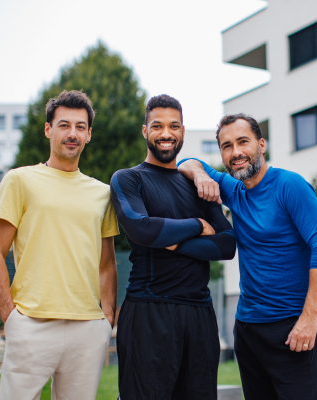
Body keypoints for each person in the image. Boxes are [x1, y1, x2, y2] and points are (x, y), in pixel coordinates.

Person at [178, 113, 317, 400]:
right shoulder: (235, 190)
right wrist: (202, 176)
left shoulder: (290, 186)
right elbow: (187, 163)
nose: (236, 152)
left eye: (243, 142)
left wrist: (309, 319)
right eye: (227, 146)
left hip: (291, 328)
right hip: (248, 330)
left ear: (261, 144)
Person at [0, 90, 119, 400]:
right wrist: (11, 317)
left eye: (80, 127)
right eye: (64, 125)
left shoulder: (102, 194)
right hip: (31, 323)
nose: (72, 134)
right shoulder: (19, 181)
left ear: (88, 135)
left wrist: (106, 319)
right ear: (48, 129)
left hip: (88, 328)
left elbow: (106, 263)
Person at [110, 94, 236, 399]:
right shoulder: (129, 179)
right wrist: (196, 225)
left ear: (182, 131)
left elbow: (227, 244)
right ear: (145, 131)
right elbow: (140, 228)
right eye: (157, 126)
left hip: (199, 315)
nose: (166, 134)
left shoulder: (198, 184)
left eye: (174, 126)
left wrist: (171, 243)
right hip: (148, 311)